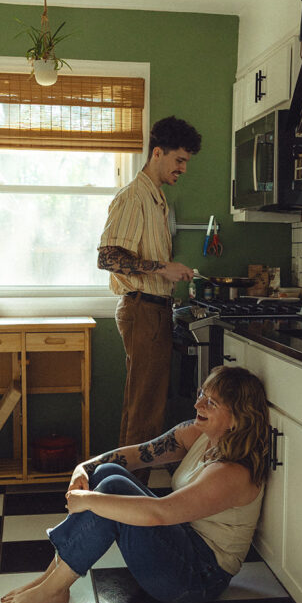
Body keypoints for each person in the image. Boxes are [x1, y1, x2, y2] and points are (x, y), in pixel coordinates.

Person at [0, 366, 270, 603]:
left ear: (236, 419)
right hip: (184, 542)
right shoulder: (201, 434)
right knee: (106, 473)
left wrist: (90, 501)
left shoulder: (233, 472)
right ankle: (51, 581)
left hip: (198, 578)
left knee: (110, 489)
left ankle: (53, 589)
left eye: (211, 402)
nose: (198, 403)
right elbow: (140, 454)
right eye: (202, 393)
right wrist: (84, 467)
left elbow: (160, 514)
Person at [97, 115, 201, 448]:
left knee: (143, 408)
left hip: (152, 311)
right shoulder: (134, 198)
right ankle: (130, 494)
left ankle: (126, 490)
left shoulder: (156, 198)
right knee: (146, 411)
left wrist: (168, 270)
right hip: (143, 311)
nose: (183, 169)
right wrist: (162, 268)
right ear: (158, 153)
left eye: (186, 161)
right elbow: (107, 258)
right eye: (179, 160)